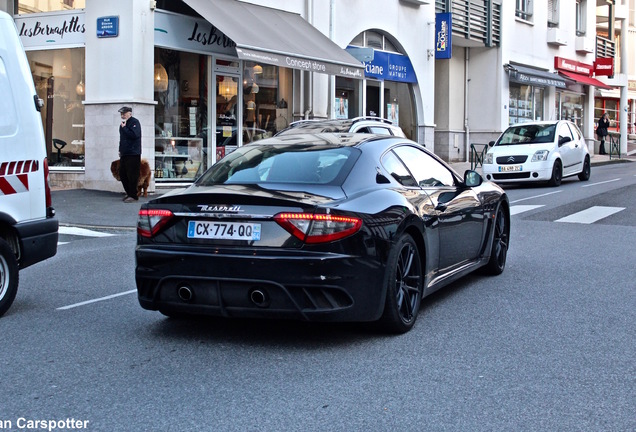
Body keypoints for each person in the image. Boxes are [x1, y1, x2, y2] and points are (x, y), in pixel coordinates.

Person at [118, 106, 142, 203]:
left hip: (133, 153)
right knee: (123, 174)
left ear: (130, 113)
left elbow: (134, 135)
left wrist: (125, 129)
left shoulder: (134, 122)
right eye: (121, 113)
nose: (122, 115)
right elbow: (122, 139)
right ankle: (129, 192)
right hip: (125, 153)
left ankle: (133, 195)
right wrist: (120, 150)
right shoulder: (123, 125)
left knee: (132, 175)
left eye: (124, 113)